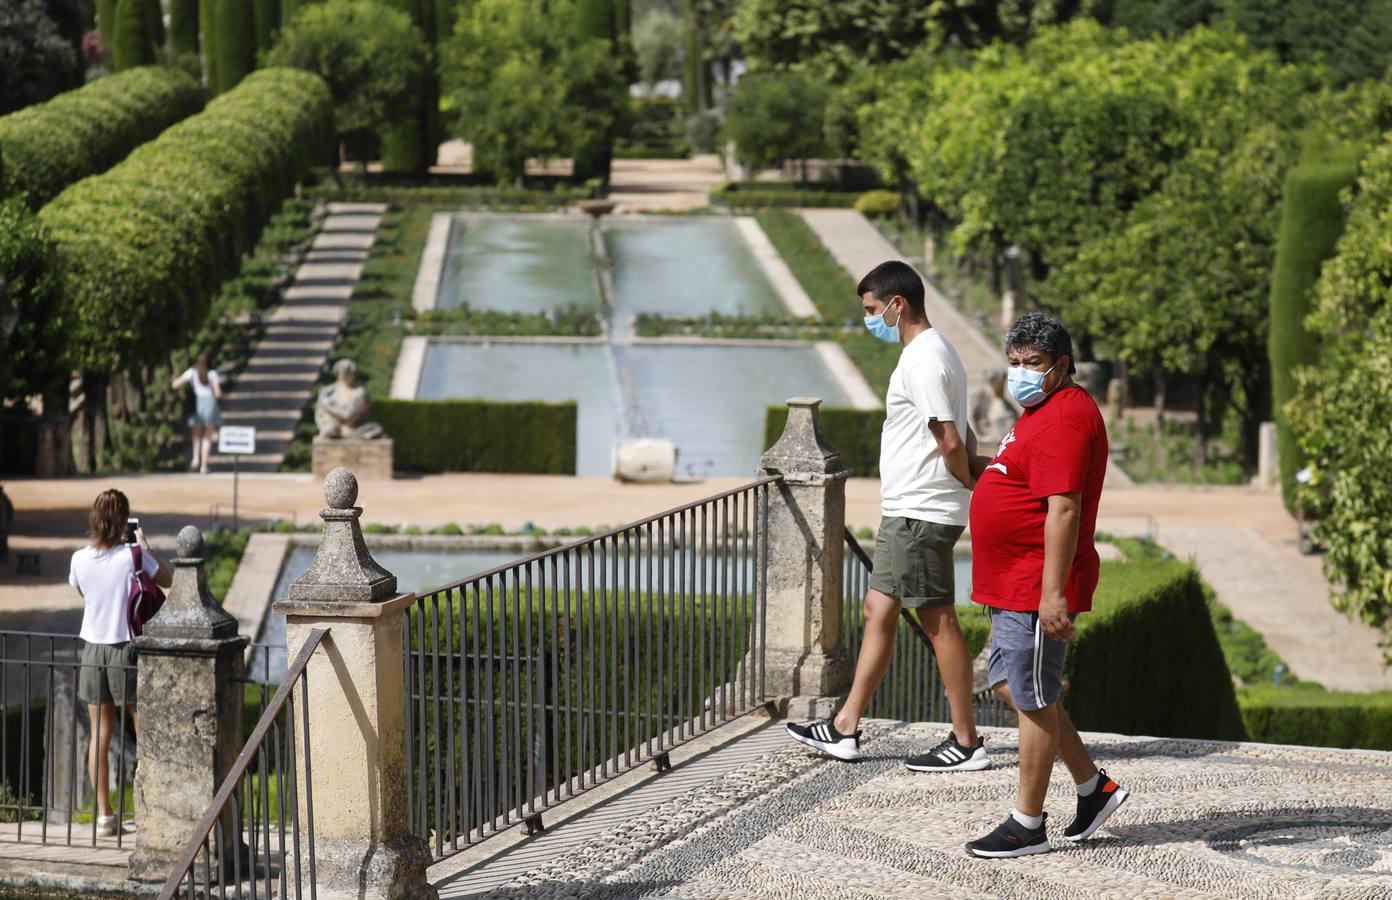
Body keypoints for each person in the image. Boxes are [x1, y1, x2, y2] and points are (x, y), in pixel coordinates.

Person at [786, 260, 987, 772]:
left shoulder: (923, 360)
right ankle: (845, 727)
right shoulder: (934, 351)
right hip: (913, 509)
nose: (871, 320)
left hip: (920, 510)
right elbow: (965, 432)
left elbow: (950, 438)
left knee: (939, 623)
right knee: (879, 611)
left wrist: (965, 480)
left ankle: (966, 742)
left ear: (898, 304)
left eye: (874, 310)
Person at [963, 312, 1129, 858]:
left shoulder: (1064, 419)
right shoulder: (1041, 410)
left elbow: (1064, 509)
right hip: (1013, 580)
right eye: (1013, 363)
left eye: (1031, 364)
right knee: (1012, 683)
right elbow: (1026, 478)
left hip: (1035, 583)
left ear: (1060, 365)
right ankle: (1092, 786)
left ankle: (1027, 823)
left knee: (1032, 695)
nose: (1020, 374)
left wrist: (1053, 593)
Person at [68, 490, 171, 836]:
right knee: (144, 730)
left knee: (100, 734)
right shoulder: (134, 555)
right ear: (124, 520)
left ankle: (105, 817)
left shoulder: (79, 559)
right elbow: (169, 580)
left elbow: (83, 593)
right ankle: (151, 809)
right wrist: (147, 546)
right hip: (125, 649)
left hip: (92, 650)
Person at [172, 353, 222, 474]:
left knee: (196, 435)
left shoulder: (192, 373)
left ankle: (196, 458)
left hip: (197, 404)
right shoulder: (212, 374)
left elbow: (175, 385)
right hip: (210, 404)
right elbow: (218, 393)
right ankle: (204, 466)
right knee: (207, 438)